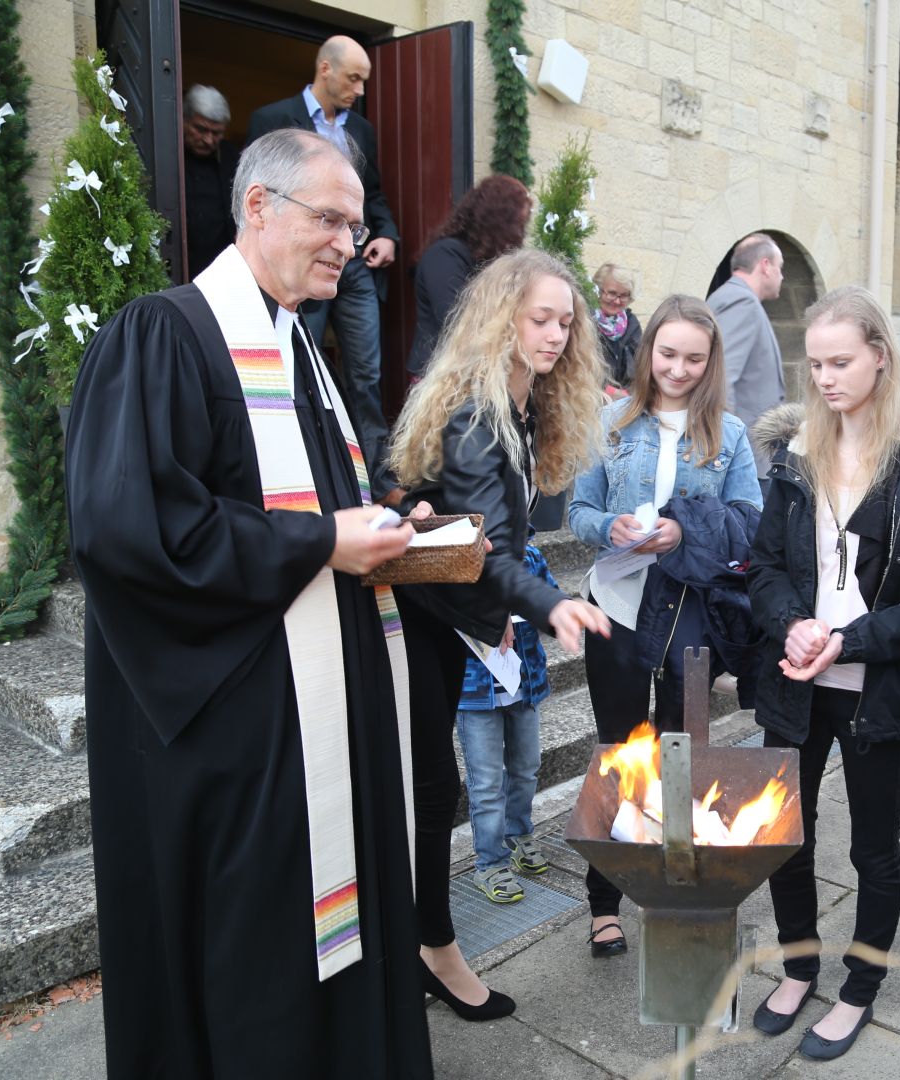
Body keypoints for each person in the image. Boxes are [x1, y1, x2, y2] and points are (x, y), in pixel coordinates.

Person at [65, 128, 430, 1078]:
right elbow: (135, 531)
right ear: (258, 207)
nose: (350, 242)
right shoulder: (166, 335)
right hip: (241, 734)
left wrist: (384, 523)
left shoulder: (300, 358)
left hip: (317, 715)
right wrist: (324, 541)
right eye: (332, 219)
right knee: (259, 946)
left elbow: (302, 504)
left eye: (356, 224)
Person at [747, 286, 900, 1061]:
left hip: (878, 686)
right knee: (782, 834)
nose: (824, 378)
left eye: (841, 361)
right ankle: (797, 966)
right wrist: (793, 624)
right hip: (797, 675)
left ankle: (859, 985)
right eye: (814, 363)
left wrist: (847, 643)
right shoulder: (795, 452)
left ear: (881, 356)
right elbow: (763, 567)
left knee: (872, 846)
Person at [388, 246, 611, 1019]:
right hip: (418, 618)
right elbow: (488, 549)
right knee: (429, 787)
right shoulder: (480, 413)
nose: (554, 335)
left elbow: (483, 548)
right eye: (539, 318)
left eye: (564, 321)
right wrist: (547, 608)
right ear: (502, 318)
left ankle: (417, 946)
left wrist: (506, 621)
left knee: (427, 787)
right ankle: (432, 951)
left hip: (455, 616)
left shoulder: (519, 404)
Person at [567, 294, 763, 957]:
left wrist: (686, 529)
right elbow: (579, 509)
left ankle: (677, 878)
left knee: (682, 752)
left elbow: (750, 522)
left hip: (689, 613)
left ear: (711, 362)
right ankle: (604, 904)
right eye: (668, 353)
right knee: (619, 754)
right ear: (649, 351)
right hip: (616, 607)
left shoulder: (729, 433)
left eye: (694, 358)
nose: (679, 369)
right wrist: (609, 526)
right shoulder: (611, 422)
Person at [248, 35, 402, 505]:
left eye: (364, 80)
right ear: (325, 69)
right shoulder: (271, 120)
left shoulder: (363, 130)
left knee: (366, 374)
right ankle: (312, 477)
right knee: (297, 367)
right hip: (300, 265)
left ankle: (375, 481)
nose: (359, 88)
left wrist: (386, 234)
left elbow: (371, 195)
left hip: (353, 263)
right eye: (354, 77)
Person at [457, 540, 561, 904]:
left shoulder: (528, 554)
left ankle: (519, 836)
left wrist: (560, 616)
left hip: (525, 684)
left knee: (526, 768)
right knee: (486, 783)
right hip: (474, 691)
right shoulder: (457, 556)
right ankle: (489, 863)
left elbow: (549, 599)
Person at [405, 174, 532, 382]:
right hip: (440, 375)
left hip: (474, 372)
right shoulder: (444, 255)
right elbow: (455, 318)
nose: (522, 231)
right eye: (519, 222)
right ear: (500, 218)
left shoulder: (484, 259)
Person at [707, 233, 786, 442]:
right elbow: (722, 377)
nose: (782, 276)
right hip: (743, 454)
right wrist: (729, 449)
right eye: (780, 267)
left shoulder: (734, 297)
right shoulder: (741, 302)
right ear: (765, 266)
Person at [181, 84, 239, 280]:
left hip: (221, 269)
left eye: (216, 133)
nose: (208, 140)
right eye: (200, 129)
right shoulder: (167, 152)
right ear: (183, 119)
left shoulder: (232, 159)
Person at [592, 264, 643, 395]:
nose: (617, 301)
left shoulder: (632, 324)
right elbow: (576, 364)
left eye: (624, 295)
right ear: (598, 290)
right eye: (612, 293)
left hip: (622, 401)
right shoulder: (586, 319)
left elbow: (640, 365)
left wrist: (630, 394)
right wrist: (607, 389)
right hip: (589, 396)